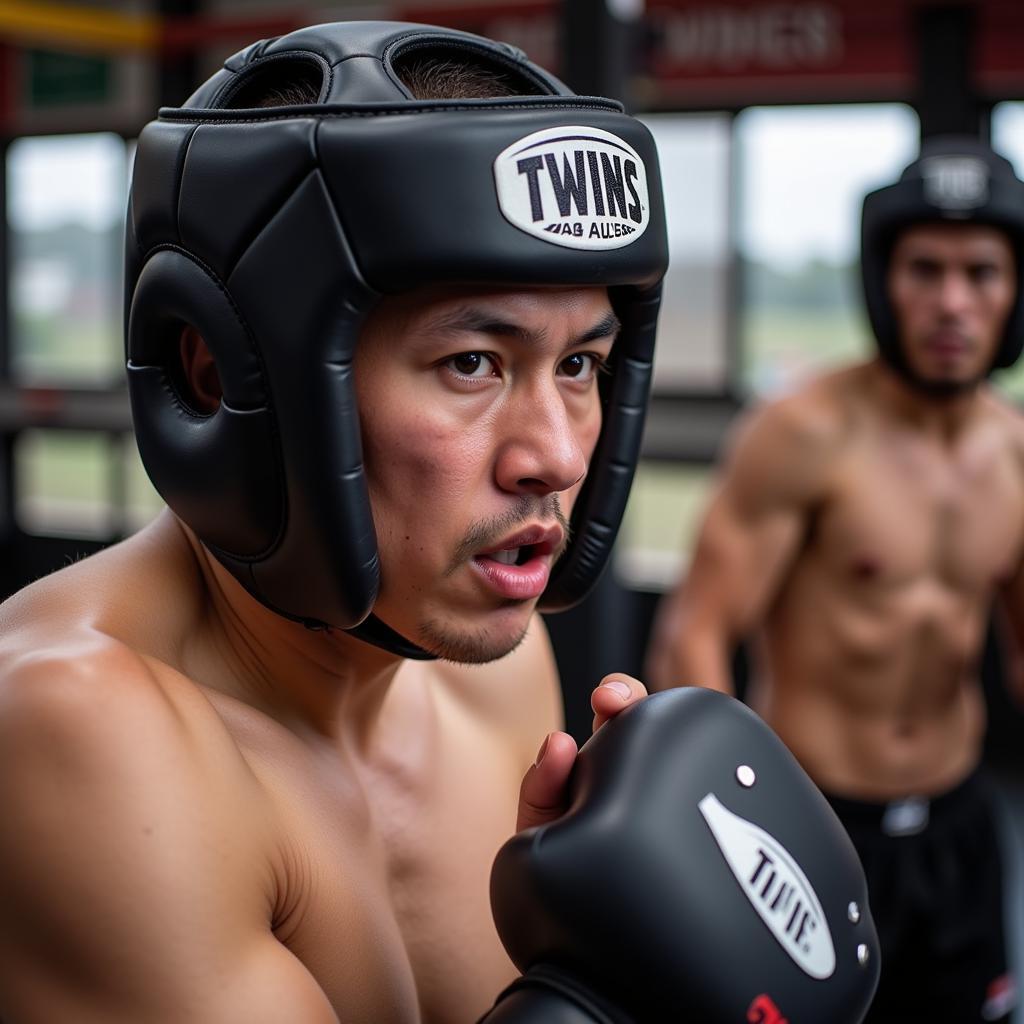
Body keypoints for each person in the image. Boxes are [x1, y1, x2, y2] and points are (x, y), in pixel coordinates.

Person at [0, 22, 669, 1023]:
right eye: (473, 363)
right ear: (220, 376)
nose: (558, 456)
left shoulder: (499, 673)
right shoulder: (72, 727)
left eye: (578, 364)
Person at [646, 135, 1024, 1024]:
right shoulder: (806, 433)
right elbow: (693, 631)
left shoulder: (1015, 454)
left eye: (982, 273)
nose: (951, 302)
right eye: (924, 270)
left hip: (958, 828)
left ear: (1016, 292)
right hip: (813, 827)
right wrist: (730, 831)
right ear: (884, 283)